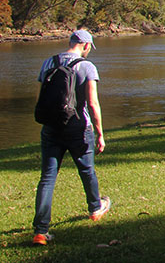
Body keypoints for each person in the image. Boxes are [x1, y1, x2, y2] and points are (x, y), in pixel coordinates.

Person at [32, 30, 110, 246]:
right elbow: (93, 104)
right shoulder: (86, 66)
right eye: (89, 48)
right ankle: (95, 208)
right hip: (78, 127)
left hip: (51, 128)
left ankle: (40, 231)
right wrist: (100, 133)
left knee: (47, 177)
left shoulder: (49, 62)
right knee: (87, 170)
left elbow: (39, 98)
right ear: (85, 45)